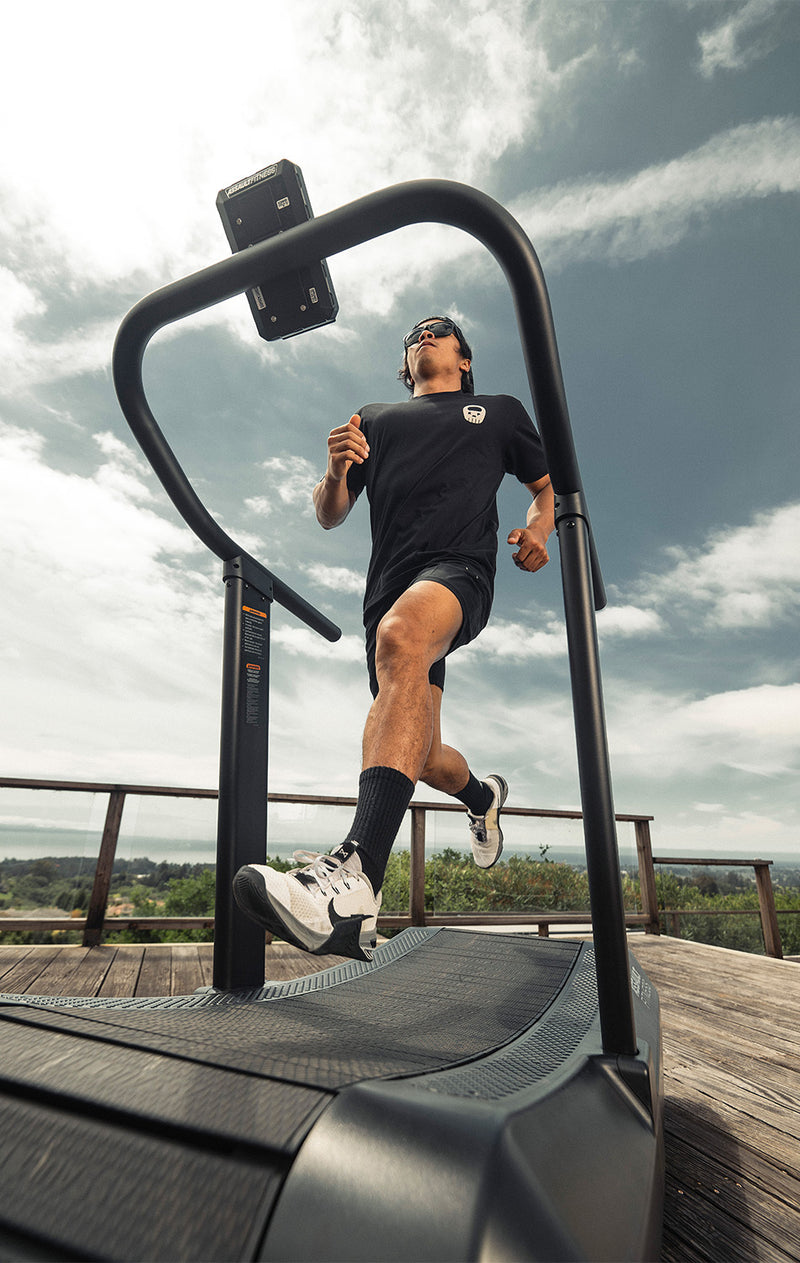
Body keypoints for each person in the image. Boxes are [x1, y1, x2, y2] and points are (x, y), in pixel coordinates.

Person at [234, 315, 554, 961]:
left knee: (402, 637)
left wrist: (540, 531)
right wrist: (333, 470)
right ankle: (483, 795)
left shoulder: (498, 412)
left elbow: (544, 490)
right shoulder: (372, 420)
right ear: (406, 365)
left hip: (459, 571)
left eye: (440, 330)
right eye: (415, 334)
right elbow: (330, 513)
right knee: (422, 751)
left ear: (464, 359)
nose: (425, 335)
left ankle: (355, 883)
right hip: (389, 592)